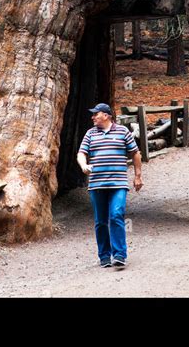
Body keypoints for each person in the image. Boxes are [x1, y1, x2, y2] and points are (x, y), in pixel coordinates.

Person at [77, 103, 143, 268]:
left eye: (95, 114)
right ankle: (104, 256)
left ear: (106, 115)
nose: (93, 117)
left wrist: (138, 176)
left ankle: (120, 255)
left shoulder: (122, 132)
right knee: (100, 221)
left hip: (118, 183)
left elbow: (135, 153)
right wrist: (84, 165)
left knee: (116, 215)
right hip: (97, 183)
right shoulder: (90, 134)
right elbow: (81, 153)